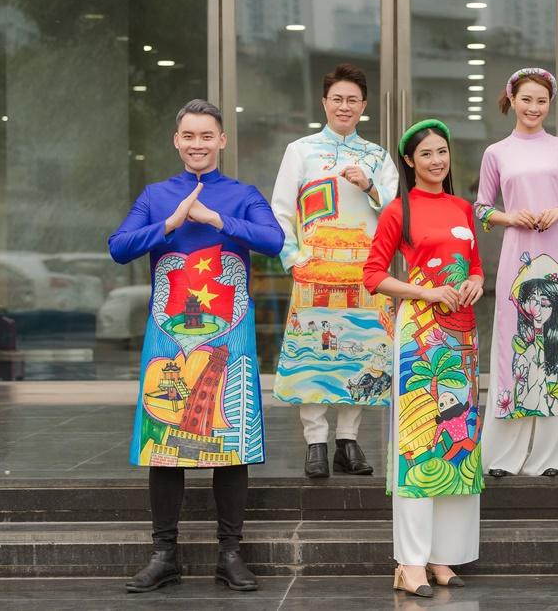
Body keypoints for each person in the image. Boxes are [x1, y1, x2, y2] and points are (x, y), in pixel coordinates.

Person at [108, 99, 284, 593]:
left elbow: (274, 241)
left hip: (231, 334)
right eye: (189, 136)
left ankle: (230, 553)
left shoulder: (243, 195)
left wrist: (216, 220)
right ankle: (164, 554)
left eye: (207, 136)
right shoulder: (155, 195)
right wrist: (169, 224)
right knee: (163, 442)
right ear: (176, 141)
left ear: (222, 140)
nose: (197, 144)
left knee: (231, 441)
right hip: (168, 335)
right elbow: (118, 247)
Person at [363, 119, 484, 598]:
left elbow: (475, 266)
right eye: (426, 154)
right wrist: (425, 291)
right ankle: (409, 563)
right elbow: (373, 274)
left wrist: (475, 282)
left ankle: (442, 556)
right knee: (419, 443)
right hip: (420, 336)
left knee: (457, 443)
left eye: (442, 151)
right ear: (410, 162)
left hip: (462, 335)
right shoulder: (399, 210)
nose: (437, 160)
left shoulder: (462, 208)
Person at [271, 63, 399, 479]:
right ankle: (315, 441)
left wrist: (370, 186)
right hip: (315, 271)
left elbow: (396, 210)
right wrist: (293, 259)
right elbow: (281, 210)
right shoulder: (301, 151)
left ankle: (348, 439)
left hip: (366, 273)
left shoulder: (378, 157)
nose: (345, 106)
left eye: (353, 100)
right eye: (337, 99)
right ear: (324, 102)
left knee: (362, 353)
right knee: (313, 358)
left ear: (364, 105)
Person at [475, 68, 558, 478]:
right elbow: (481, 208)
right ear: (512, 100)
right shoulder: (497, 153)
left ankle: (554, 456)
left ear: (550, 104)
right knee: (516, 344)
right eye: (526, 99)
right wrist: (509, 217)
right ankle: (504, 456)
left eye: (541, 101)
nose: (534, 107)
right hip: (518, 255)